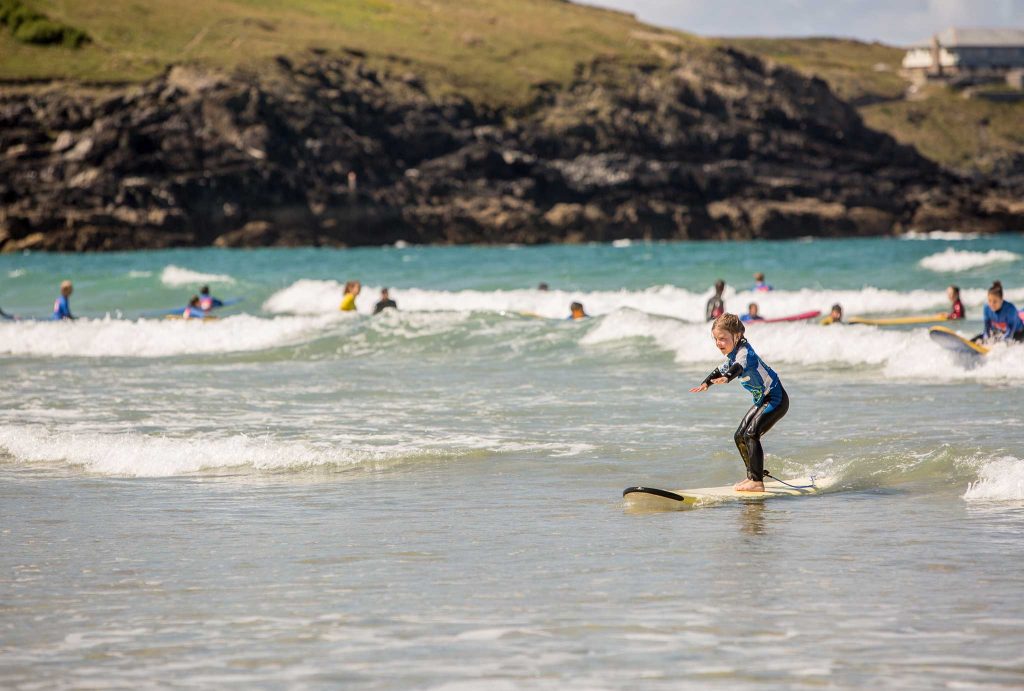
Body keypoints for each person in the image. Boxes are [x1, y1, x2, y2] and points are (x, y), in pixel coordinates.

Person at [689, 313, 789, 492]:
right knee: (739, 436)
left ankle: (757, 482)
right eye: (716, 339)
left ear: (737, 336)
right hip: (762, 400)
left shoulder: (744, 353)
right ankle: (752, 475)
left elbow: (738, 367)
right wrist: (707, 383)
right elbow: (721, 369)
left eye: (723, 339)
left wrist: (727, 378)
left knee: (751, 434)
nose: (718, 343)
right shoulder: (733, 354)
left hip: (776, 399)